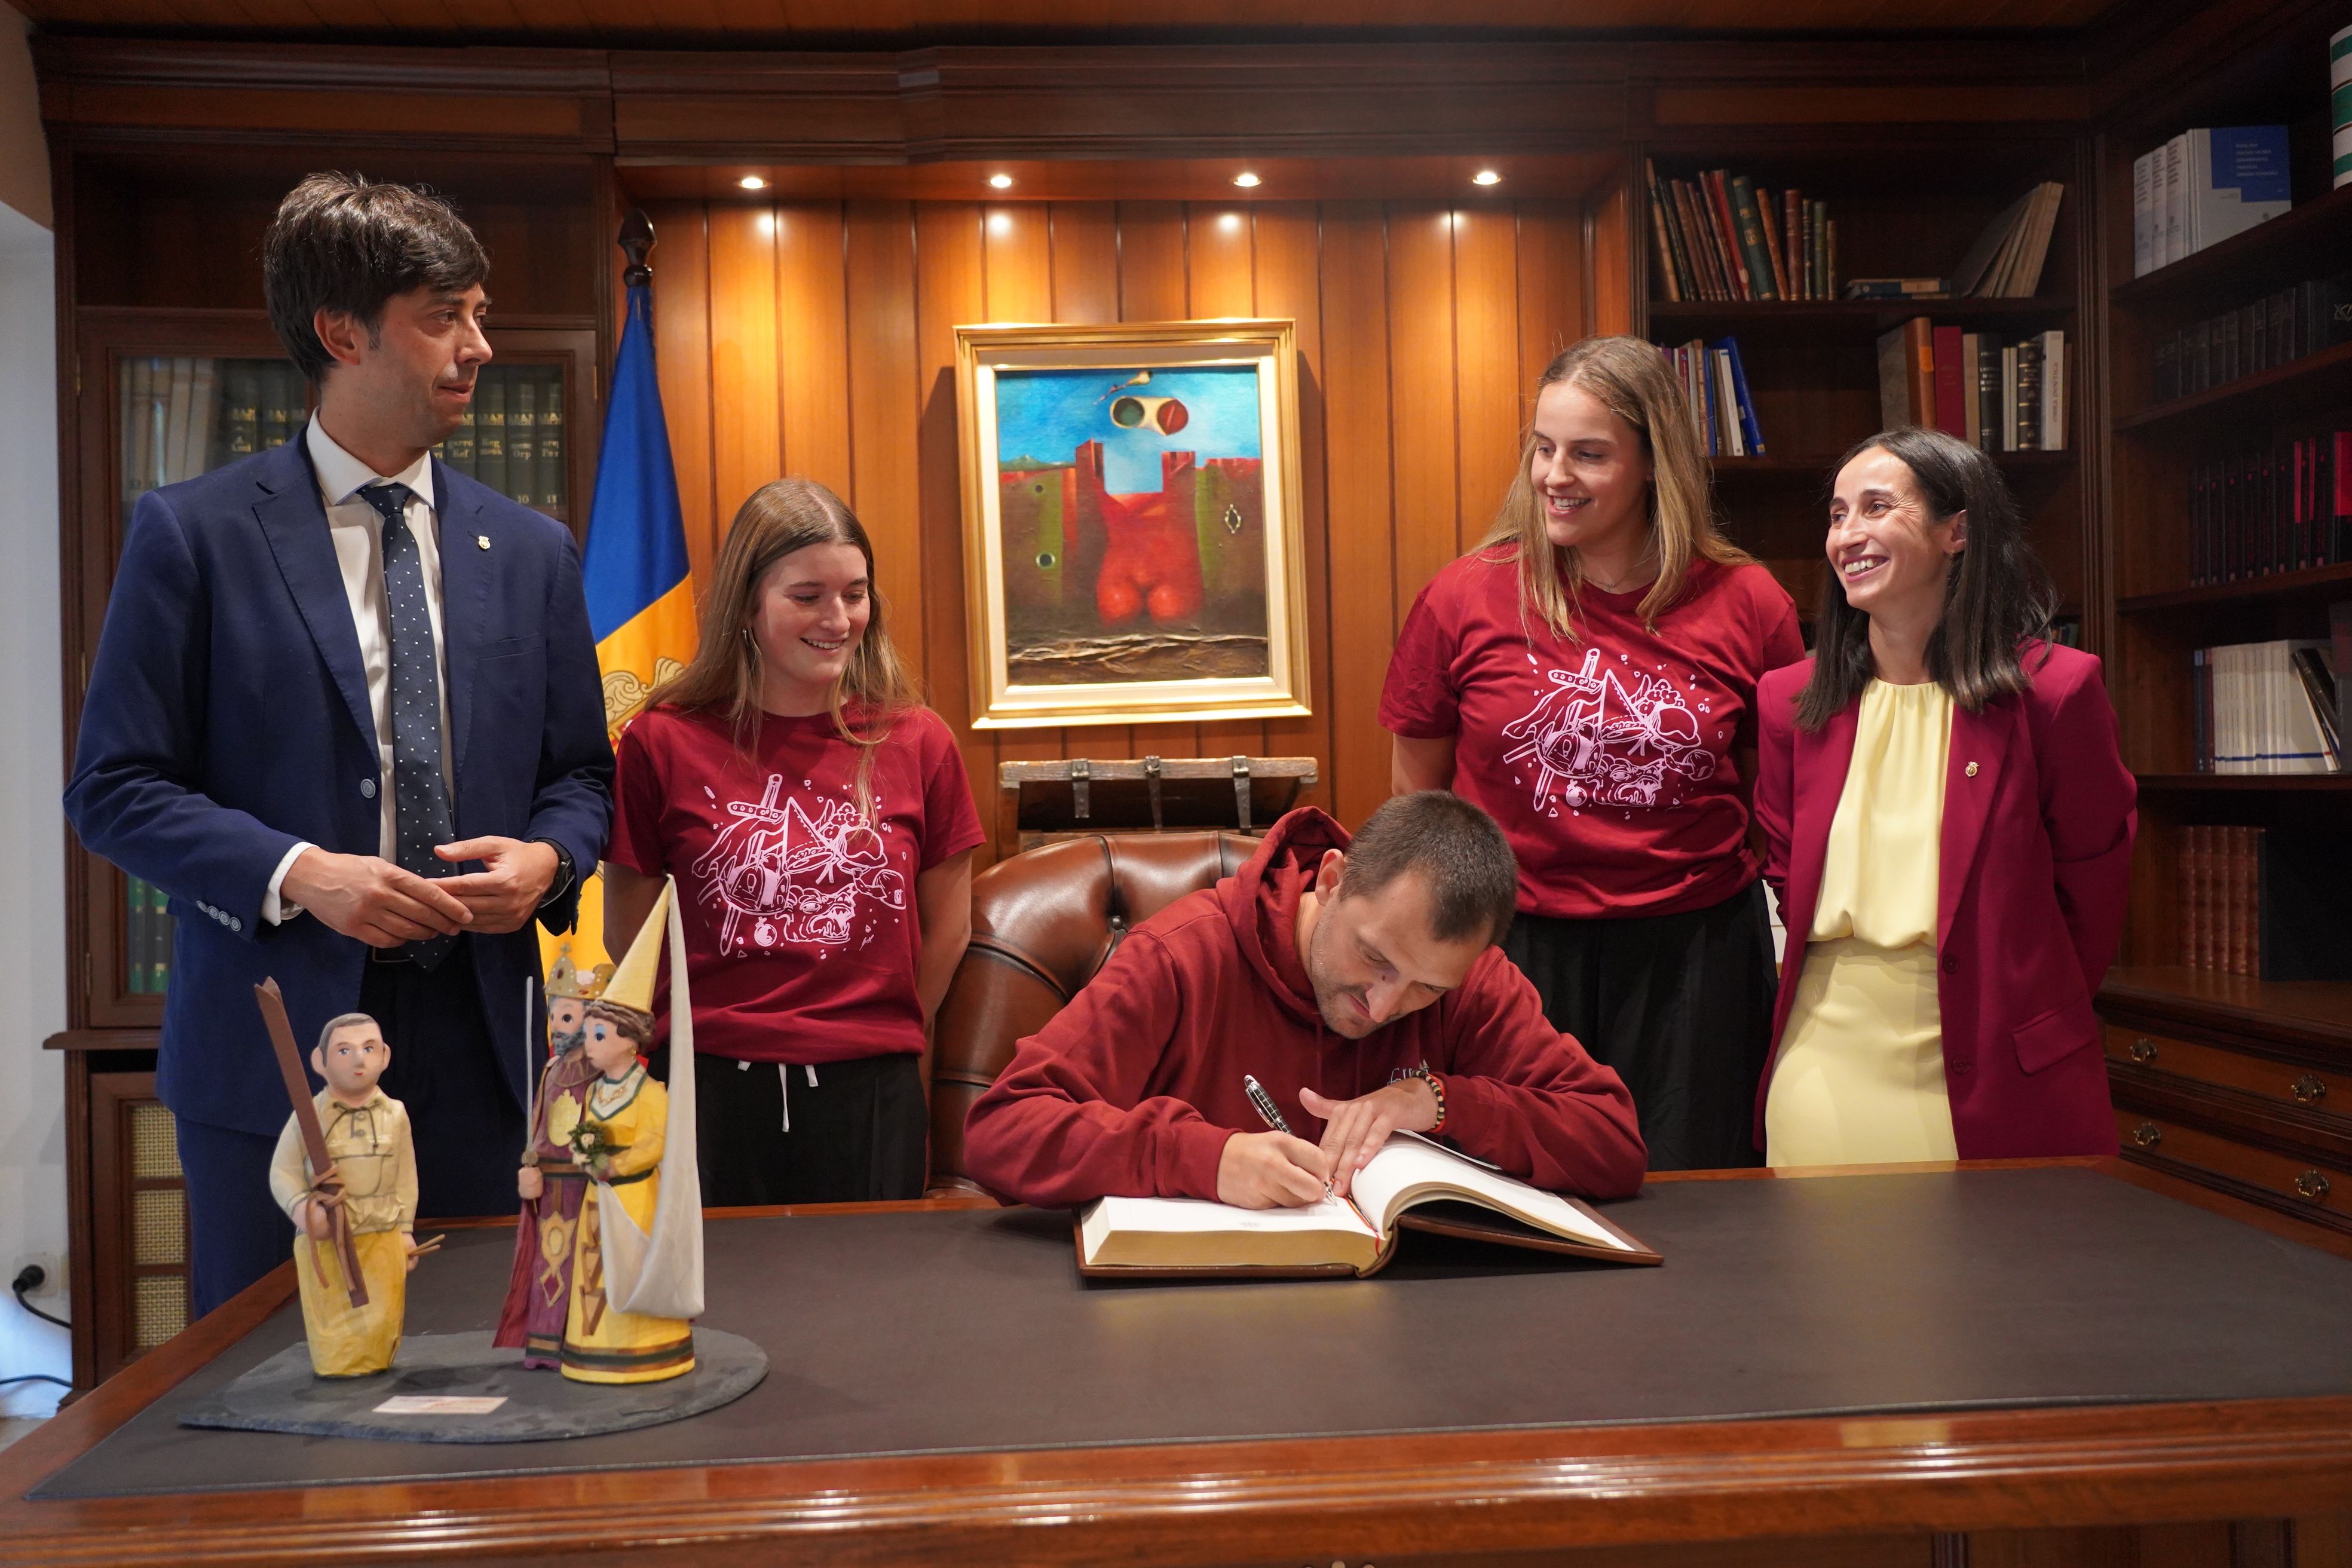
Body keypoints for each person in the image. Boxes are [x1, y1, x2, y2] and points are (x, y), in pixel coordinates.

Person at [65, 172, 614, 1316]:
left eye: (480, 313)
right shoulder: (194, 534)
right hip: (277, 1050)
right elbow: (115, 787)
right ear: (341, 331)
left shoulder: (531, 550)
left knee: (484, 1376)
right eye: (444, 316)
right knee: (280, 1390)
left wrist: (550, 862)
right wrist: (300, 874)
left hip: (484, 1048)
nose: (479, 346)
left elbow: (579, 774)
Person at [1380, 336, 1805, 1171]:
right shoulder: (1463, 596)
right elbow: (1417, 807)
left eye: (1589, 454)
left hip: (1695, 958)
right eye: (1544, 448)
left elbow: (1770, 797)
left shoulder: (1751, 602)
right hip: (1511, 951)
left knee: (1697, 1205)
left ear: (1655, 465)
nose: (1554, 475)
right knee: (1516, 1197)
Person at [963, 793, 1646, 1211]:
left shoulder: (1474, 982)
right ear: (1334, 877)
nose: (1384, 1006)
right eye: (1375, 958)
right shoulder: (1181, 956)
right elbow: (1002, 1129)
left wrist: (1440, 1101)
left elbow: (1613, 1142)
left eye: (1425, 989)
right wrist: (1201, 1157)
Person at [1753, 428, 2134, 1166]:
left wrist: (2025, 1006)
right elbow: (1784, 872)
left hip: (2004, 1067)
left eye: (1875, 507)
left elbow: (2095, 889)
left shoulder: (2056, 692)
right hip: (1827, 1069)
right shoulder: (1788, 701)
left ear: (1957, 530)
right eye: (1837, 515)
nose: (1848, 535)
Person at [602, 478, 984, 1206]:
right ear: (747, 603)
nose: (838, 618)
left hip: (871, 1085)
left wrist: (867, 1027)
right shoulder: (661, 741)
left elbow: (949, 928)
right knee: (712, 1315)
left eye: (855, 593)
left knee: (868, 1312)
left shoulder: (919, 739)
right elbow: (631, 936)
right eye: (807, 595)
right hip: (704, 1085)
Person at [268, 1012, 418, 1377]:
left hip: (381, 1239)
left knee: (381, 1323)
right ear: (320, 1062)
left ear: (384, 1056)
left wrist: (405, 1230)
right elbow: (283, 1171)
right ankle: (338, 1367)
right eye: (344, 1050)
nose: (359, 1060)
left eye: (368, 1048)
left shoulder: (395, 1114)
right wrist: (304, 1210)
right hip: (329, 1245)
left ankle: (377, 1363)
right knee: (336, 1331)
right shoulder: (310, 1117)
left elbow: (405, 1178)